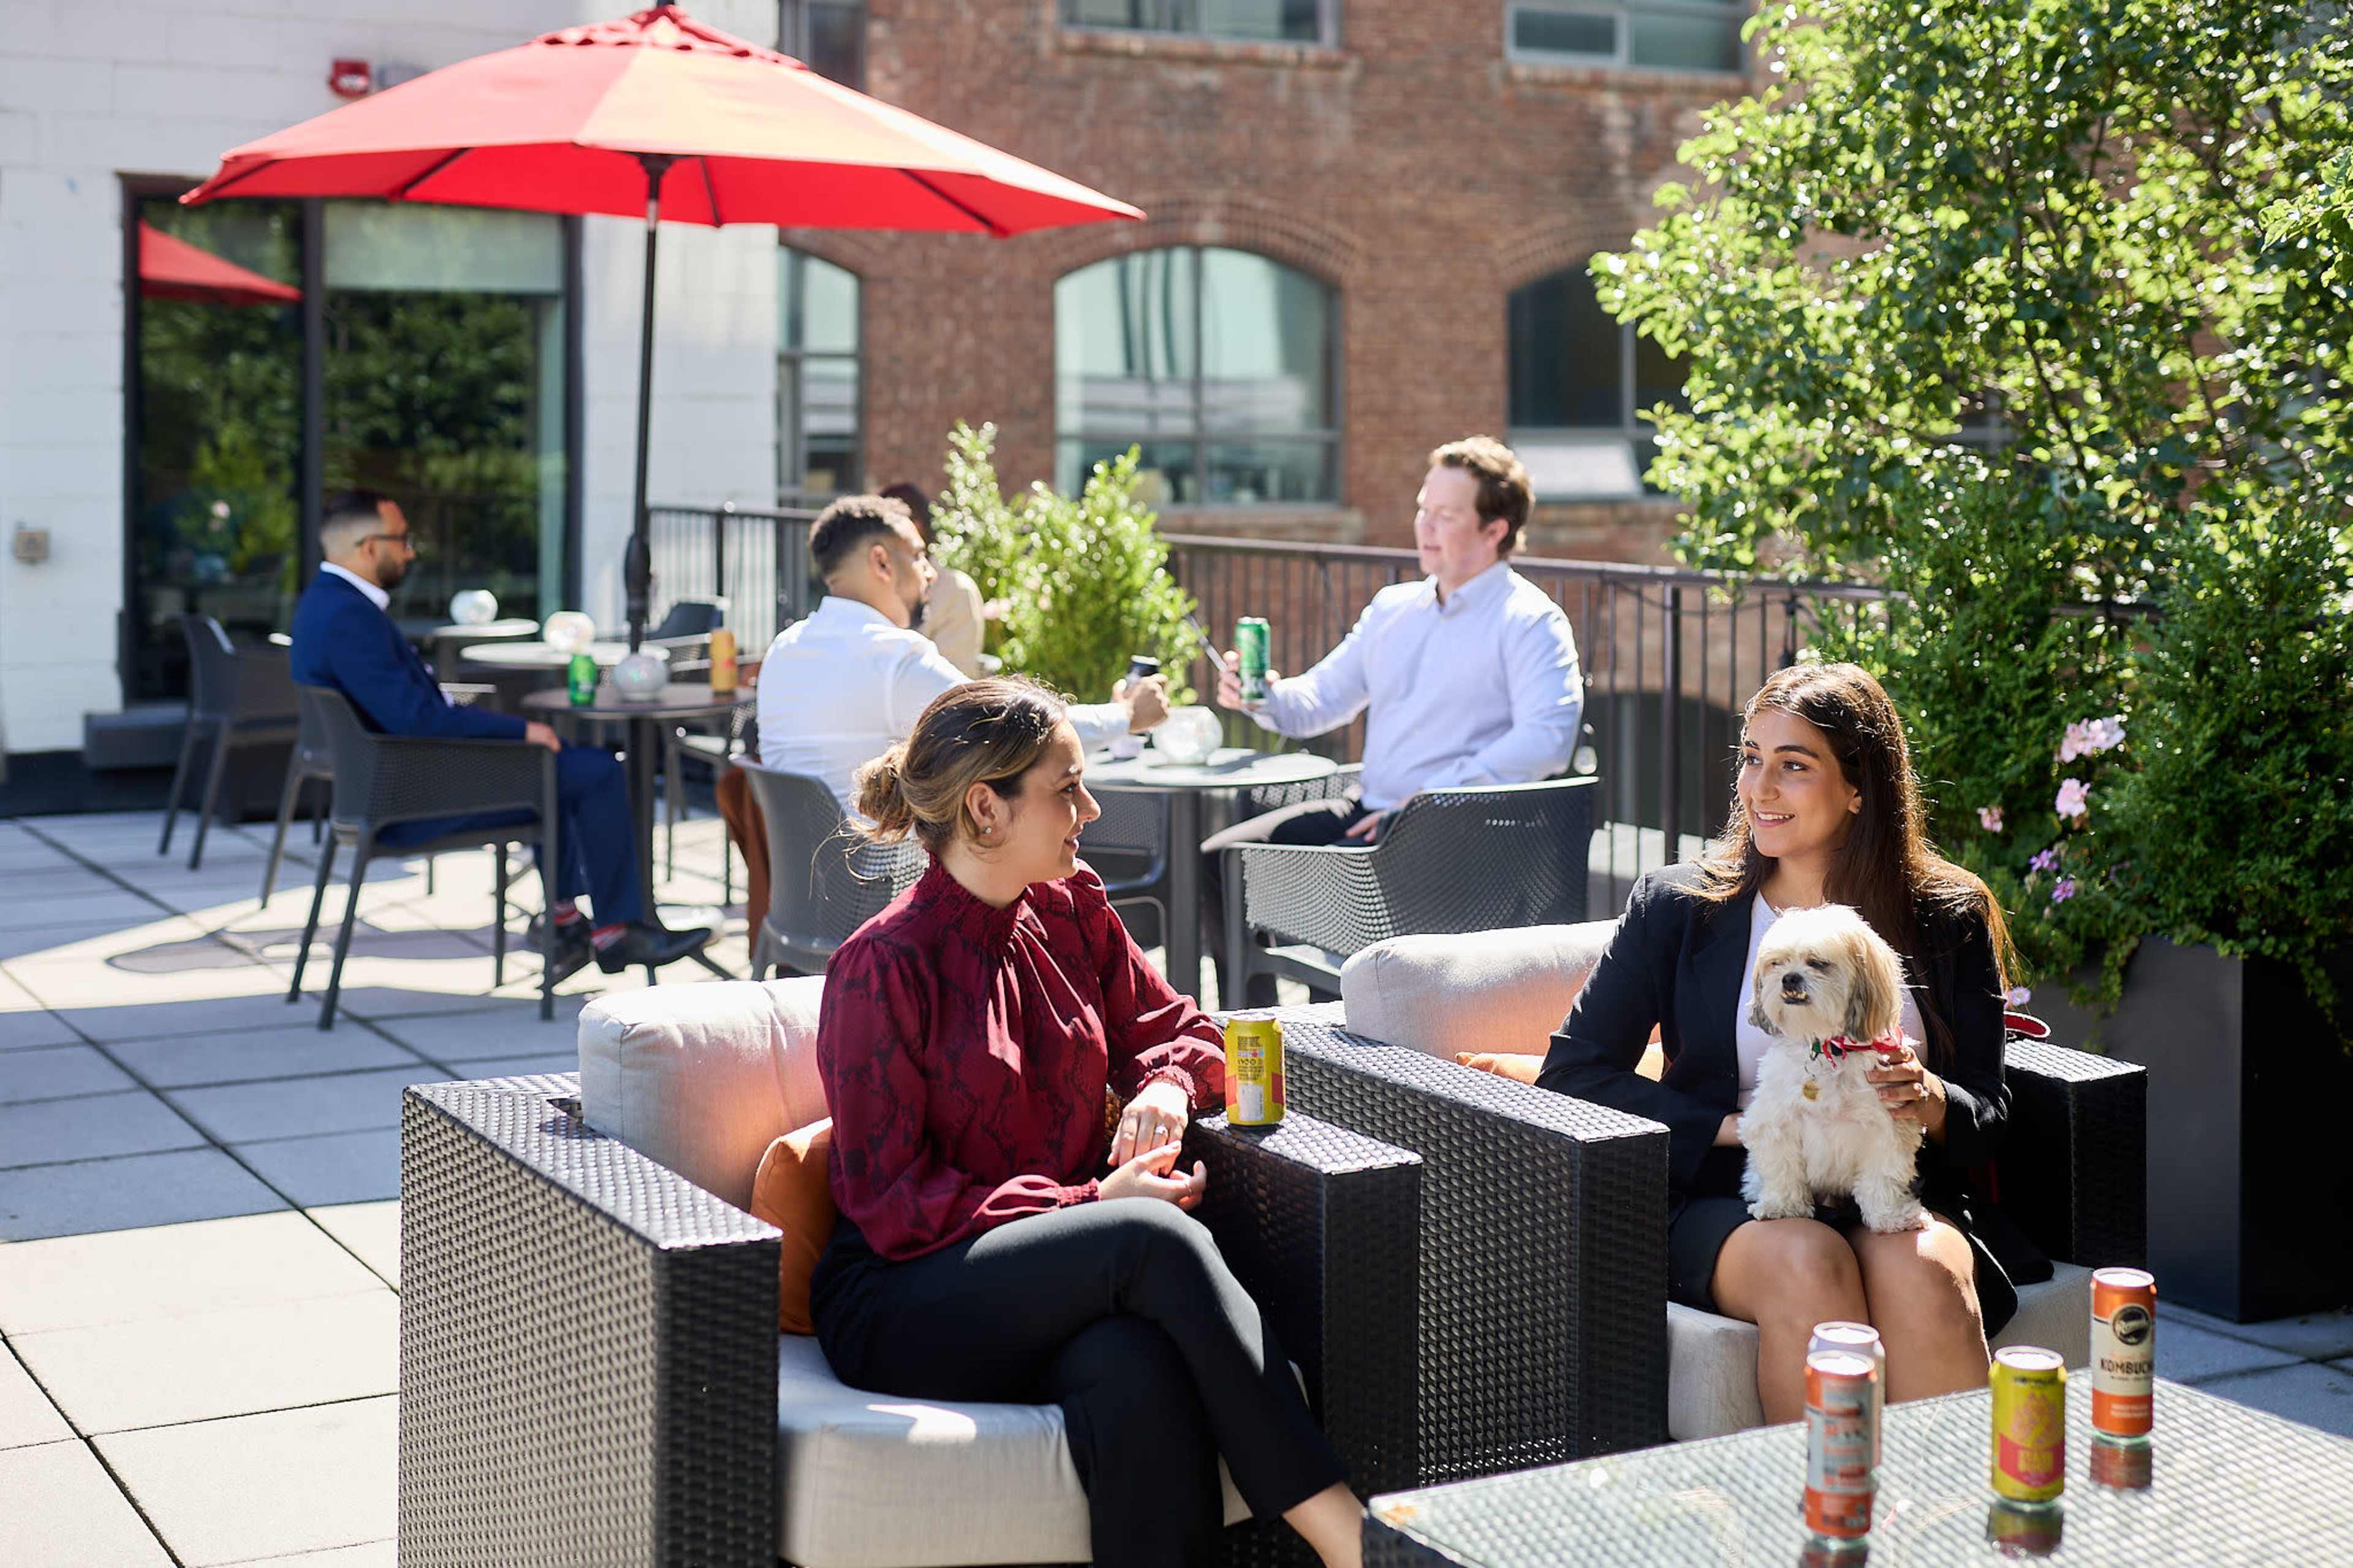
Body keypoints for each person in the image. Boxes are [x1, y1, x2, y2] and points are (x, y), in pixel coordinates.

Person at [809, 678, 1363, 1568]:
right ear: (987, 808)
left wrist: (1171, 1087)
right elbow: (896, 1202)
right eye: (1066, 788)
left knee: (1133, 1369)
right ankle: (1354, 1540)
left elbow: (1185, 1030)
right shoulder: (881, 966)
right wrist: (1093, 1198)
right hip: (904, 1293)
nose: (1090, 806)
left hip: (1067, 1277)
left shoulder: (1071, 908)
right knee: (1148, 1236)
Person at [1536, 661, 2036, 1423]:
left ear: (1859, 786)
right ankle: (1823, 1532)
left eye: (1793, 767)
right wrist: (1748, 1126)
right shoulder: (1677, 907)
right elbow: (1573, 1073)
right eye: (1750, 758)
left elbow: (1991, 1111)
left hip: (1891, 1180)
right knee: (1810, 1261)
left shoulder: (1945, 915)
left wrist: (1930, 1099)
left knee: (1928, 1273)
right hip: (1731, 1190)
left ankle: (1947, 1532)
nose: (1758, 789)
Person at [1203, 436, 1584, 1002]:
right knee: (1224, 863)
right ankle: (1256, 1045)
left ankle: (1343, 1053)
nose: (1425, 526)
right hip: (1369, 809)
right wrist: (1260, 695)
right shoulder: (1393, 608)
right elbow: (1318, 702)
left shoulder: (1529, 621)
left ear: (1494, 529)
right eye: (1422, 510)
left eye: (1446, 515)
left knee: (1336, 901)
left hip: (1454, 830)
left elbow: (1549, 740)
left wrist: (1430, 798)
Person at [288, 490, 711, 980]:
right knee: (591, 771)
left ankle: (568, 924)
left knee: (563, 767)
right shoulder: (348, 616)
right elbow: (415, 720)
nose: (410, 551)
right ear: (367, 548)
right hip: (404, 799)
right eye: (402, 540)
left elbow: (403, 708)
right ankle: (616, 930)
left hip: (389, 783)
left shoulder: (327, 604)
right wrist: (519, 730)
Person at [757, 493, 1167, 810]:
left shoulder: (782, 649)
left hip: (802, 899)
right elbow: (1024, 732)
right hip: (888, 892)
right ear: (881, 563)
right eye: (917, 555)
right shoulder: (895, 658)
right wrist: (1128, 715)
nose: (930, 571)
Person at [877, 480, 990, 676]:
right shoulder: (876, 590)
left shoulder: (955, 591)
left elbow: (954, 684)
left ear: (915, 528)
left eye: (881, 529)